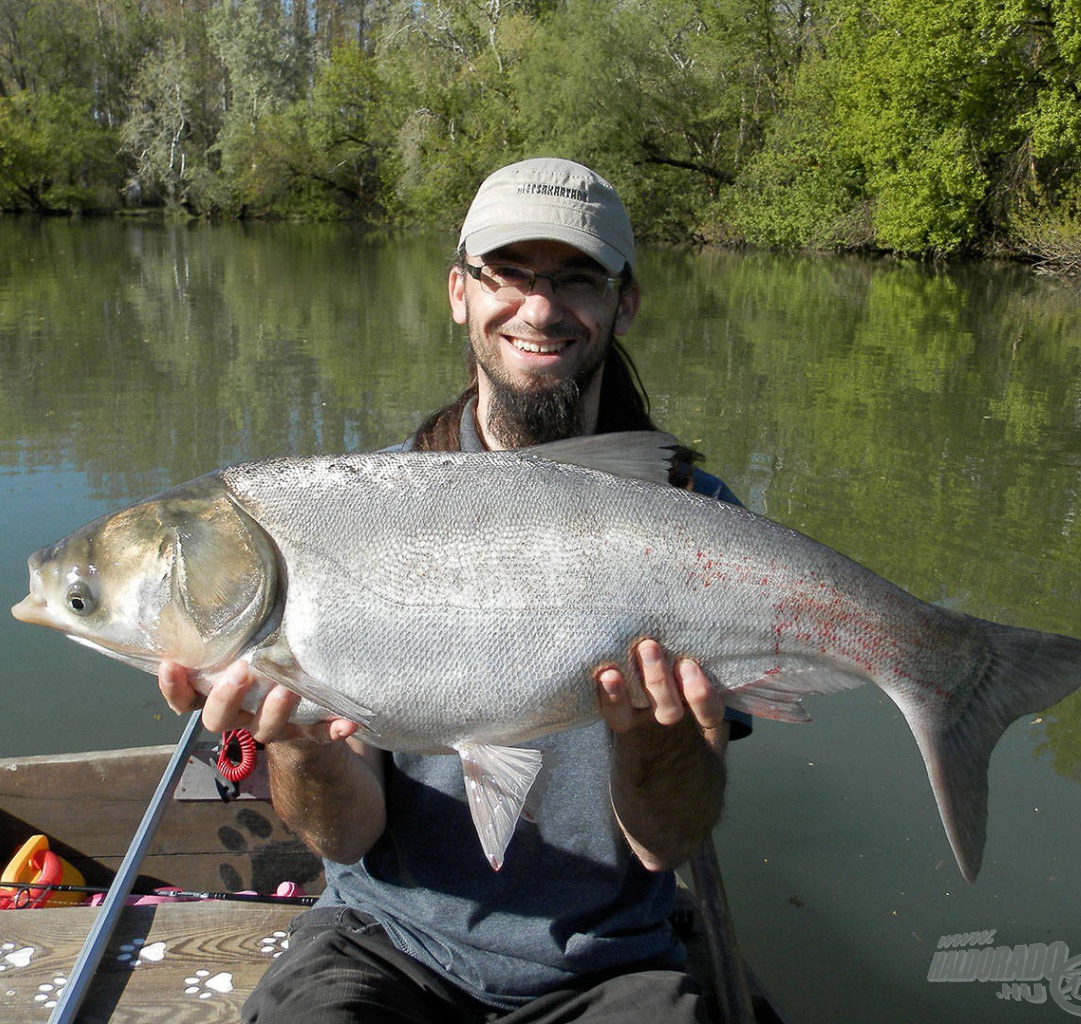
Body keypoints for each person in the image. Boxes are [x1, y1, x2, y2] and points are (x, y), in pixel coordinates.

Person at [158, 158, 747, 1023]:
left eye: (577, 277)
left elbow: (668, 844)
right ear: (459, 293)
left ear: (625, 301)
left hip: (610, 968)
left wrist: (658, 743)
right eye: (508, 275)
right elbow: (345, 838)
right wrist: (301, 746)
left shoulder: (699, 523)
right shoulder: (357, 509)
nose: (539, 309)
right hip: (384, 941)